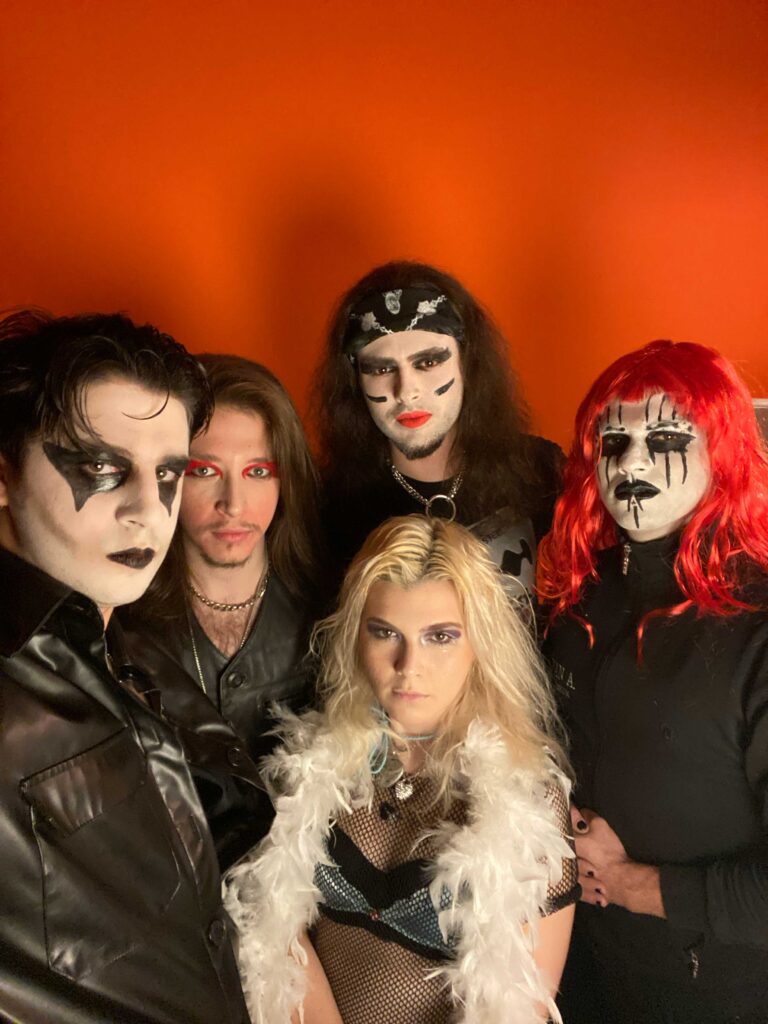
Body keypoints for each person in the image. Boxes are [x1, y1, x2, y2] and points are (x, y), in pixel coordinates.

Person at [0, 310, 252, 1024]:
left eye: (169, 472)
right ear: (4, 475)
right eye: (102, 469)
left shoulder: (130, 640)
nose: (149, 510)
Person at [225, 515, 577, 1024]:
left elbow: (515, 1005)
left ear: (480, 643)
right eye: (386, 632)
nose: (409, 665)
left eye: (440, 636)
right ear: (357, 635)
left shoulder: (527, 799)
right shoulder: (309, 765)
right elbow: (274, 939)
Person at [537, 340, 768, 1023]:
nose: (631, 462)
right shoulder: (579, 601)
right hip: (576, 975)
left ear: (723, 453)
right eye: (614, 441)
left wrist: (634, 884)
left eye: (665, 439)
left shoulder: (758, 627)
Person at [120, 354, 321, 867]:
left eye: (258, 471)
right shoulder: (117, 616)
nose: (233, 503)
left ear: (285, 480)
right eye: (204, 471)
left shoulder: (331, 608)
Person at [314, 260, 563, 596]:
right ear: (355, 381)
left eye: (428, 362)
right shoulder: (330, 509)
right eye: (381, 369)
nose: (406, 391)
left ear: (467, 363)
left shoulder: (540, 473)